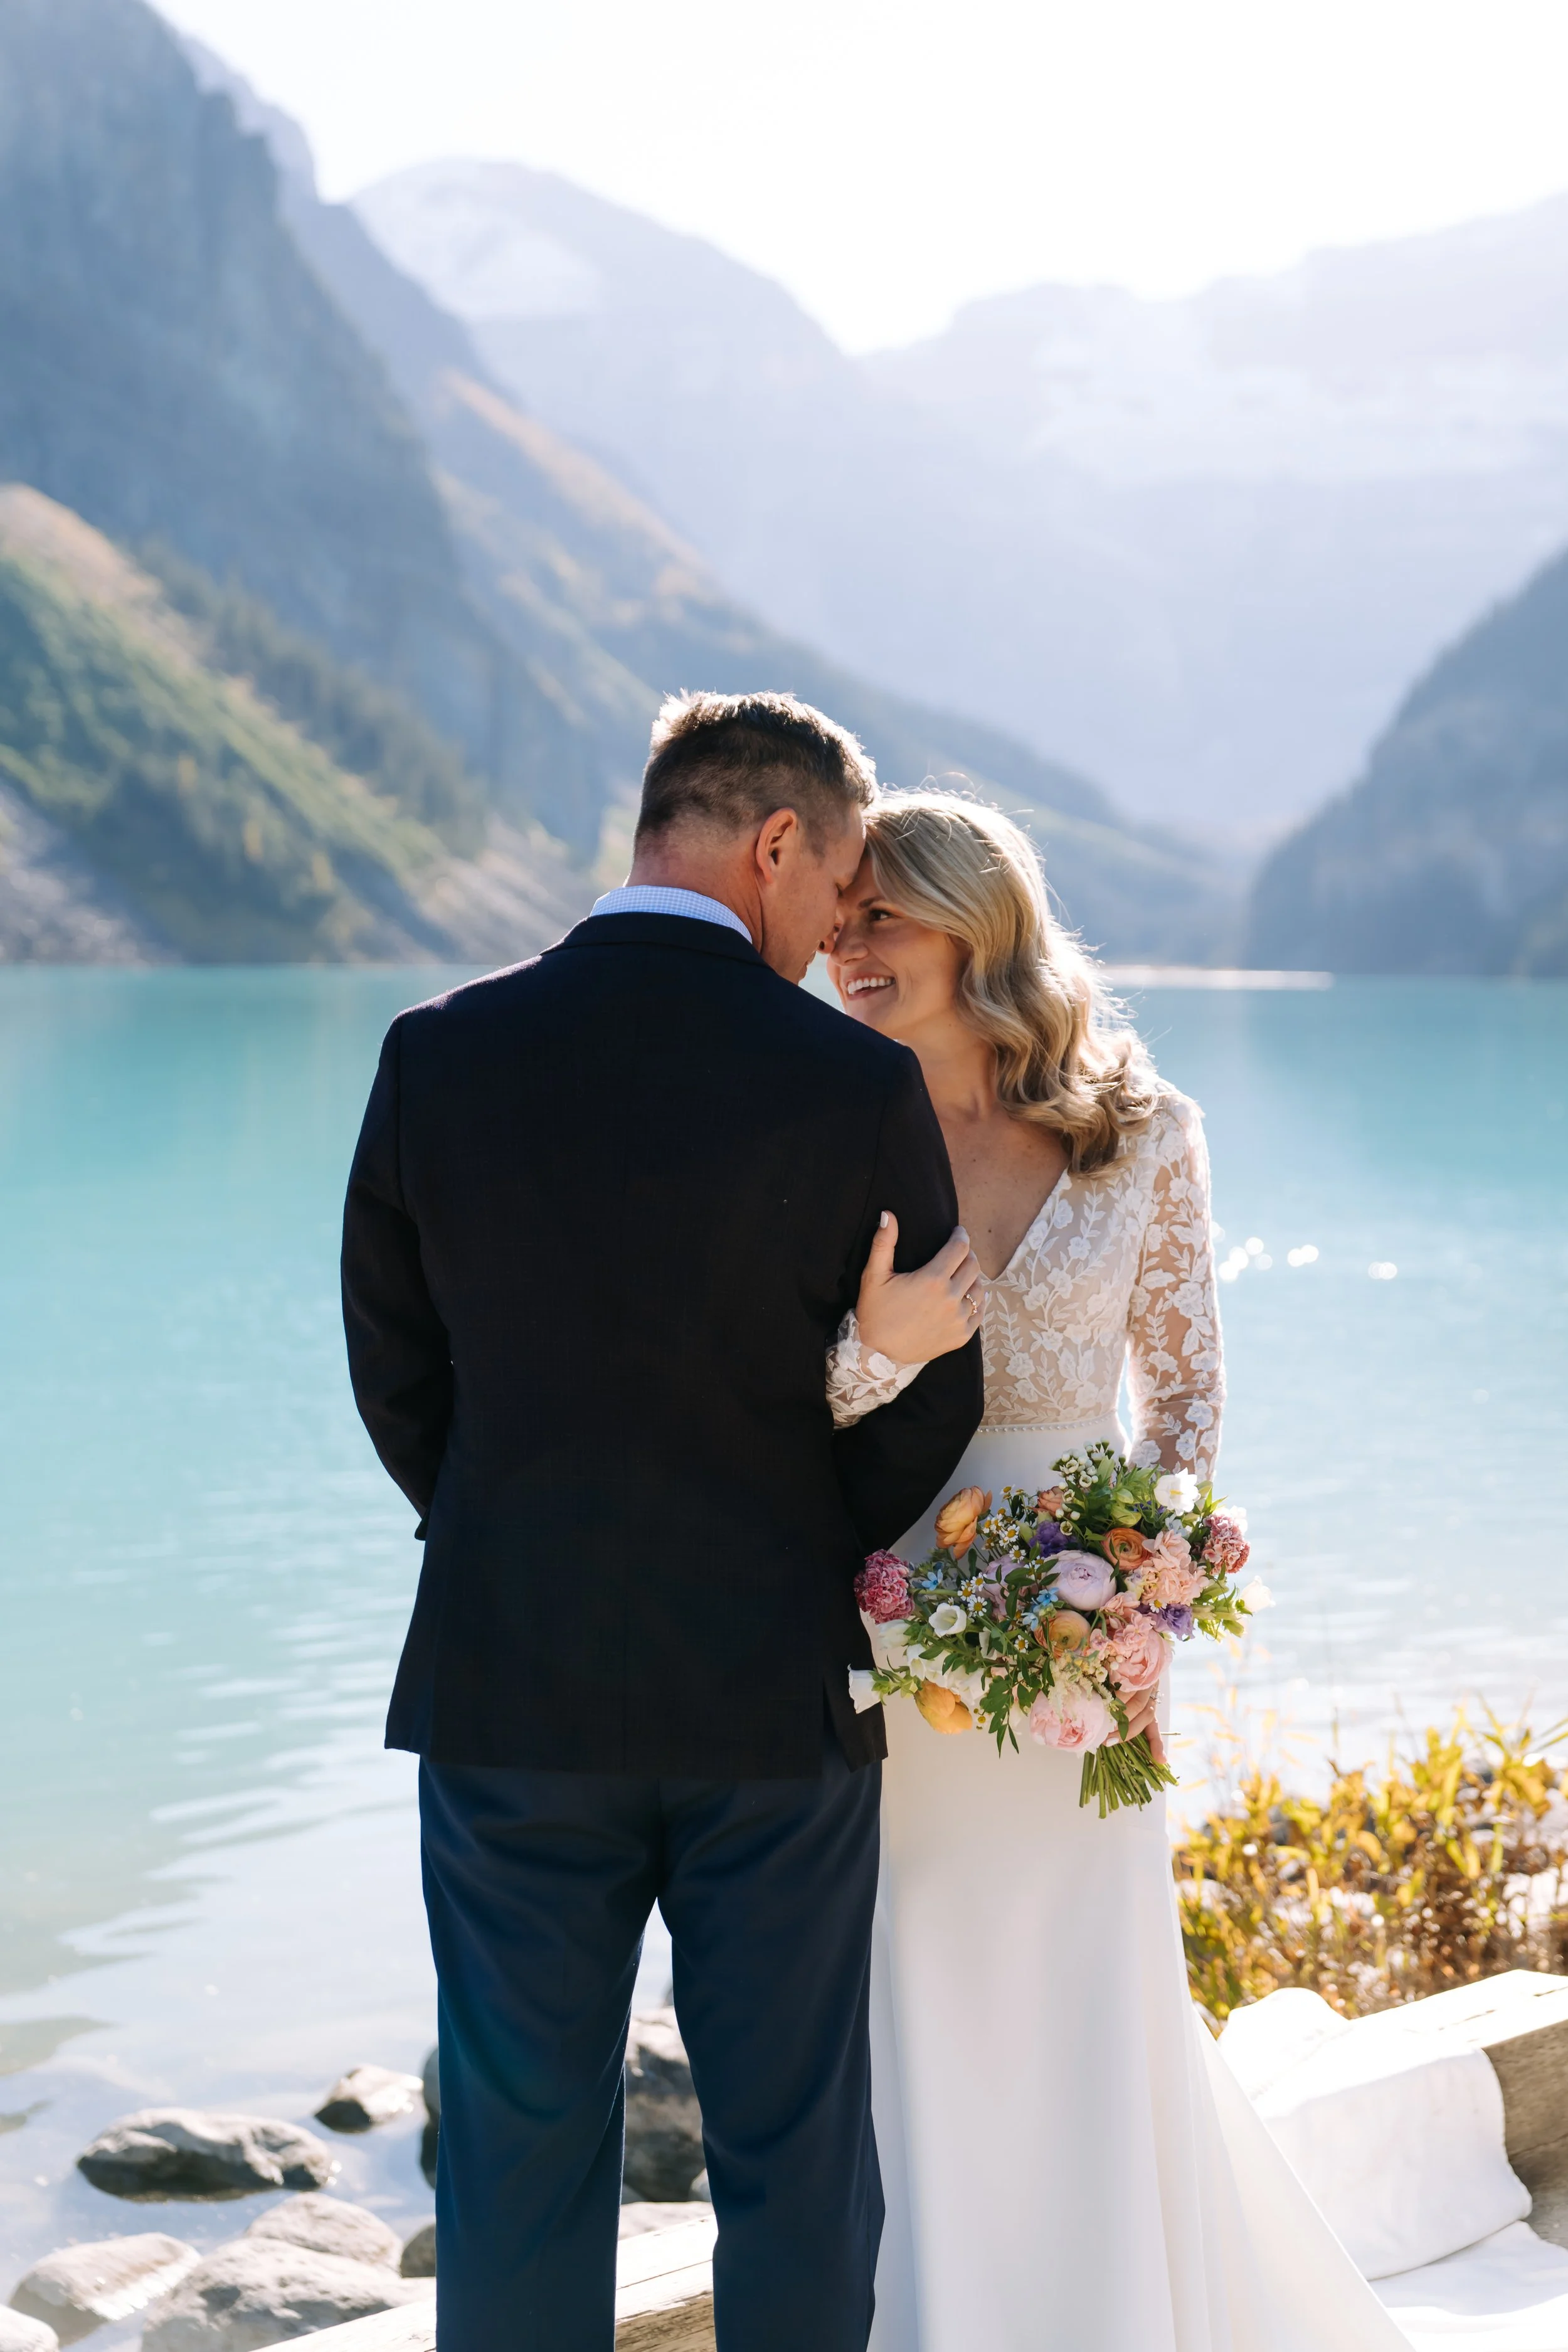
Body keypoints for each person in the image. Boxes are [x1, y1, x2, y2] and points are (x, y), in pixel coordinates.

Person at [341, 694, 985, 2352]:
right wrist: (789, 1541)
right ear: (775, 844)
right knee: (792, 2160)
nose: (836, 930)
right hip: (772, 1707)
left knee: (513, 2157)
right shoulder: (847, 1083)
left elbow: (395, 1365)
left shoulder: (437, 1048)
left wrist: (505, 1529)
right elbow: (928, 1379)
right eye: (837, 890)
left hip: (506, 1686)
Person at [824, 790, 1408, 2352]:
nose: (847, 939)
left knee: (1084, 1973)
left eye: (883, 911)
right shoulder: (824, 1116)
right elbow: (781, 1395)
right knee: (915, 1971)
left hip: (1089, 1629)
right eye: (842, 911)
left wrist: (1149, 1578)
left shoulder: (1138, 1124)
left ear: (976, 923)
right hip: (888, 1610)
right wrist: (871, 1367)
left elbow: (1187, 1392)